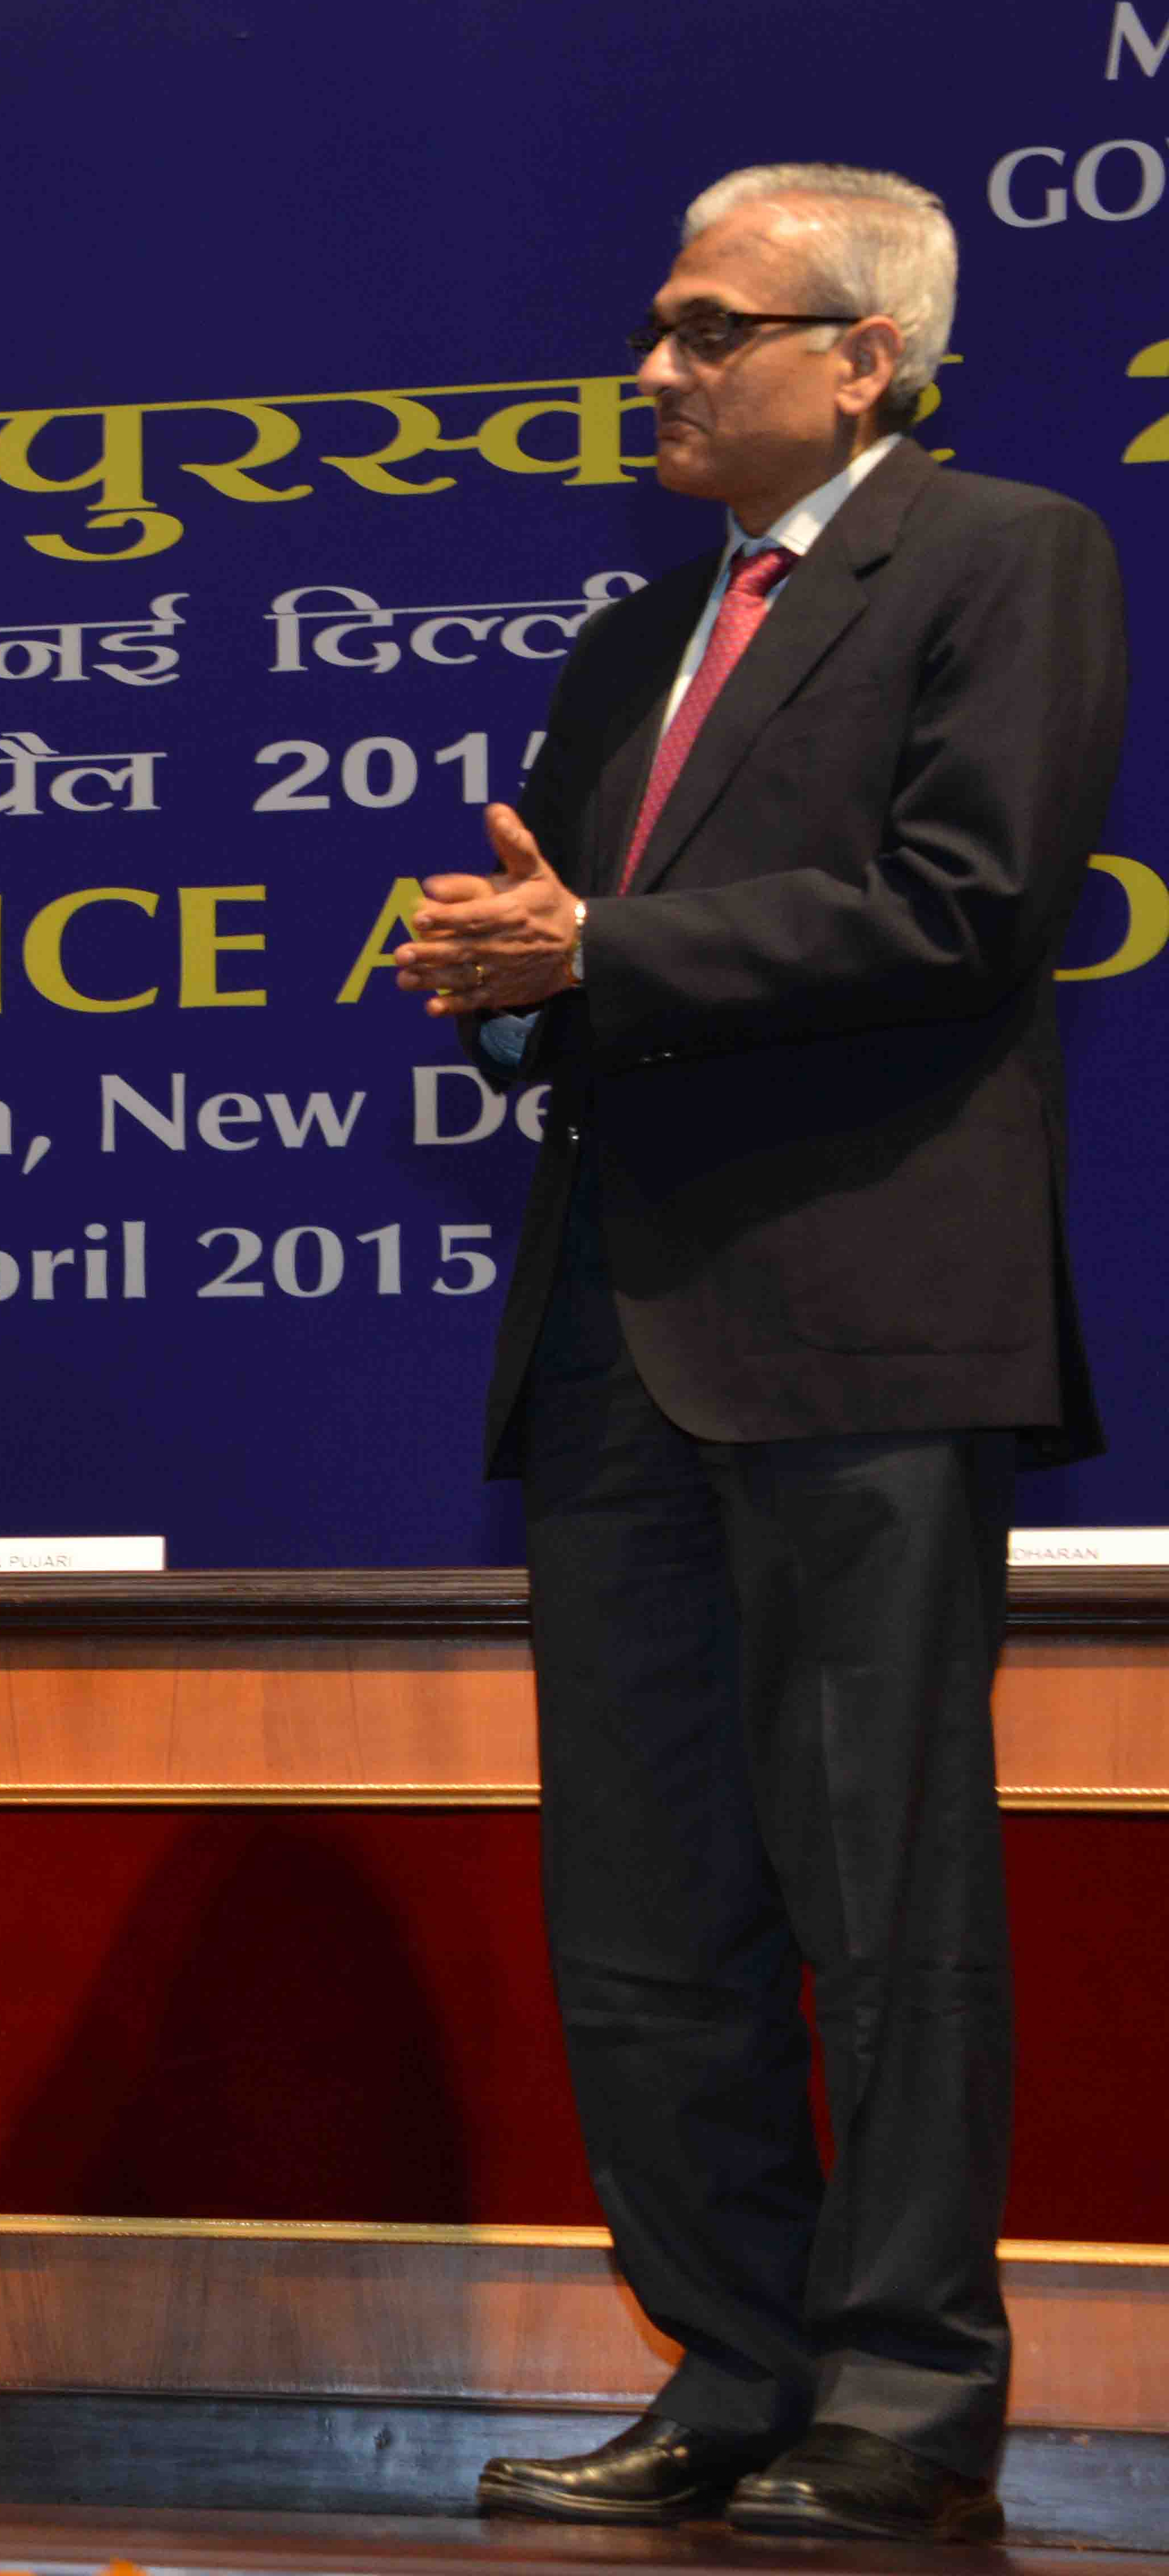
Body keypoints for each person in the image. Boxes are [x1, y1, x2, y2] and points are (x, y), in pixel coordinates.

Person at [396, 166, 1127, 2548]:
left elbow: (966, 896)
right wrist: (517, 974)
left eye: (716, 329)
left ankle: (902, 2393)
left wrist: (598, 943)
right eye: (655, 324)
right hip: (618, 1331)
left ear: (865, 360)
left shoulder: (1001, 558)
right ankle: (728, 2359)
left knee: (875, 1887)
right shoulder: (634, 636)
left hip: (858, 1330)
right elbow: (602, 963)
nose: (660, 367)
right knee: (643, 1899)